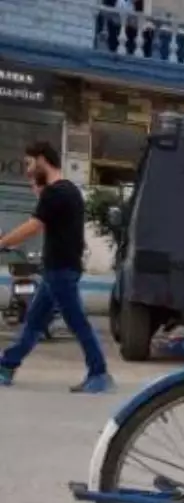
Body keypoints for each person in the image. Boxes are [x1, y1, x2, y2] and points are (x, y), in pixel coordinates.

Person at [0, 142, 114, 393]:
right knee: (34, 322)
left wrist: (2, 242)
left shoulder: (56, 193)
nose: (28, 170)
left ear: (42, 160)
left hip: (60, 270)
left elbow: (33, 226)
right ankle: (7, 365)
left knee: (77, 322)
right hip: (59, 269)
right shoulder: (67, 190)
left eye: (30, 164)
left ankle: (99, 372)